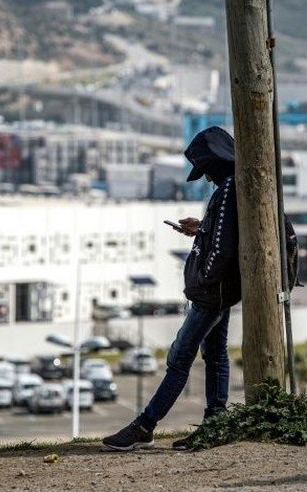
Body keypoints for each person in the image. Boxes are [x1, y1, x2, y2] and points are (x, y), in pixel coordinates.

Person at [102, 126, 241, 451]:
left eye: (206, 170)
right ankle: (215, 424)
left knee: (179, 357)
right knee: (215, 354)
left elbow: (223, 249)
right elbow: (225, 236)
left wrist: (205, 278)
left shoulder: (227, 191)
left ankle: (145, 426)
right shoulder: (233, 187)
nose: (205, 178)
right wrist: (203, 229)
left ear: (216, 163)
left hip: (212, 293)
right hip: (219, 291)